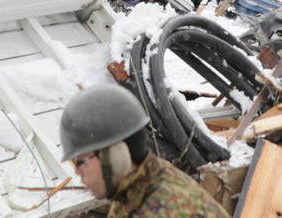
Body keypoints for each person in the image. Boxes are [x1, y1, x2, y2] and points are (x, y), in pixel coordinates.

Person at [60, 83, 230, 217]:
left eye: (82, 161)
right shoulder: (137, 189)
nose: (78, 173)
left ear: (114, 154)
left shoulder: (167, 209)